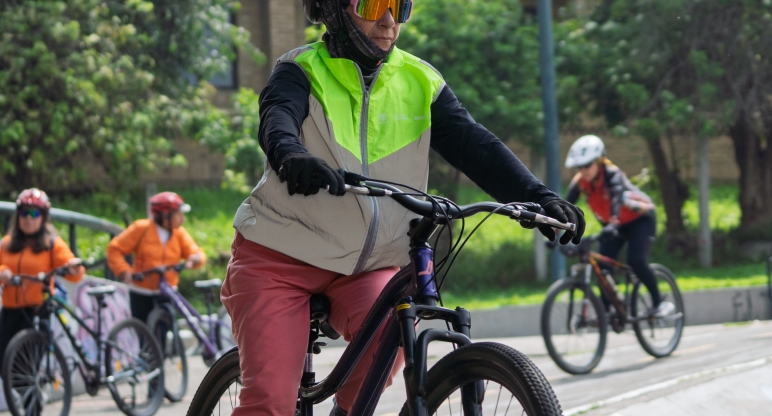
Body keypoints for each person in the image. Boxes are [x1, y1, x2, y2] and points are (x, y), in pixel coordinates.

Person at [222, 1, 586, 414]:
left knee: (392, 337)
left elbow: (476, 146)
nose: (388, 21)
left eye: (399, 6)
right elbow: (278, 118)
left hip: (363, 266)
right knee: (271, 399)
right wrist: (291, 155)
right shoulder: (300, 70)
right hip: (278, 260)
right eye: (373, 4)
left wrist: (540, 197)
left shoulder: (419, 79)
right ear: (332, 10)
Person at [564, 134, 674, 317]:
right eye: (579, 166)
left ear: (599, 160)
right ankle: (607, 313)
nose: (583, 170)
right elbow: (565, 208)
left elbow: (616, 198)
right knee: (601, 266)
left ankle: (659, 302)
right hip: (616, 225)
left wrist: (614, 222)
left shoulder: (612, 175)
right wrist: (556, 232)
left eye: (587, 165)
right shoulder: (580, 182)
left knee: (636, 261)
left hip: (640, 220)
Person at [0, 188, 85, 373]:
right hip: (9, 312)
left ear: (43, 217)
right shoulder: (5, 244)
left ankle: (33, 400)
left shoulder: (52, 244)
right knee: (2, 362)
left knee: (28, 366)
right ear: (18, 215)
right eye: (24, 213)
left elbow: (75, 273)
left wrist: (74, 266)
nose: (28, 218)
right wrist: (0, 273)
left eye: (34, 213)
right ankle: (28, 398)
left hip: (38, 311)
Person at [106, 192, 206, 323]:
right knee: (144, 335)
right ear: (165, 216)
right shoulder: (141, 228)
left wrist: (196, 258)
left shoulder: (179, 233)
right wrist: (124, 271)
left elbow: (194, 250)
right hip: (141, 292)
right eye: (179, 215)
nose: (183, 219)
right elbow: (114, 249)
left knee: (163, 333)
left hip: (167, 291)